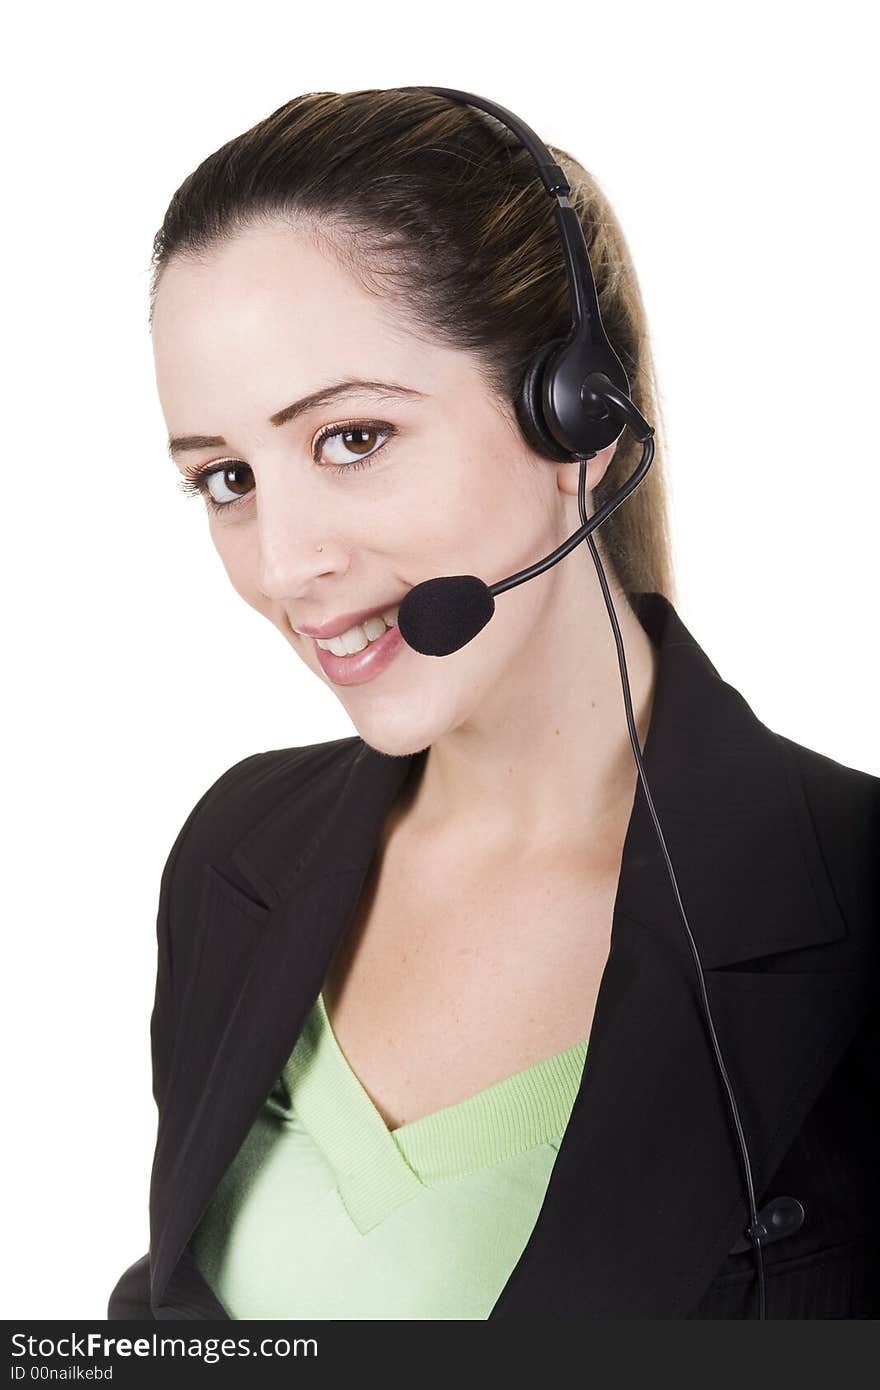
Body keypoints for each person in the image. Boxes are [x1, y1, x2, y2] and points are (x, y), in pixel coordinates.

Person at [107, 87, 879, 1321]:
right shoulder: (236, 851)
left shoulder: (853, 892)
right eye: (226, 477)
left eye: (353, 438)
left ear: (578, 414)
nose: (283, 561)